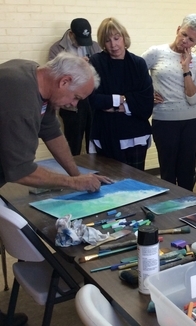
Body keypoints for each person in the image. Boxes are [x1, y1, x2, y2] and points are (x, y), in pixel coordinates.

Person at [0, 52, 111, 325]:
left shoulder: (35, 77)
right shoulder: (20, 100)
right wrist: (73, 183)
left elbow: (51, 132)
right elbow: (21, 170)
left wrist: (79, 174)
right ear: (64, 81)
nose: (74, 105)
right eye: (76, 98)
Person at [142, 14, 196, 191]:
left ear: (195, 43)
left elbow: (193, 99)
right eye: (184, 34)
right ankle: (170, 213)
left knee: (187, 172)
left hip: (191, 121)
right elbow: (134, 73)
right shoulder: (157, 52)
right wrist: (147, 94)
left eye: (191, 39)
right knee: (167, 171)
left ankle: (189, 211)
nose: (185, 40)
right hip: (164, 121)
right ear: (178, 30)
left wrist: (186, 69)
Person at [89, 17, 154, 171]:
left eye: (116, 38)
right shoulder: (96, 62)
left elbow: (146, 103)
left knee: (138, 183)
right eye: (107, 40)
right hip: (106, 133)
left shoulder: (138, 63)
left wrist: (113, 106)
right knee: (110, 182)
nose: (113, 44)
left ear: (124, 37)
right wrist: (123, 99)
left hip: (135, 135)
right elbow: (93, 99)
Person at [49, 18, 102, 156]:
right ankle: (73, 173)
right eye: (79, 39)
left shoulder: (94, 46)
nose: (82, 44)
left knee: (95, 140)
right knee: (73, 142)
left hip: (93, 98)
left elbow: (103, 70)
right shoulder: (57, 49)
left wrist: (92, 65)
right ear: (71, 34)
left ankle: (97, 171)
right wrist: (78, 65)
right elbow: (54, 77)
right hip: (72, 104)